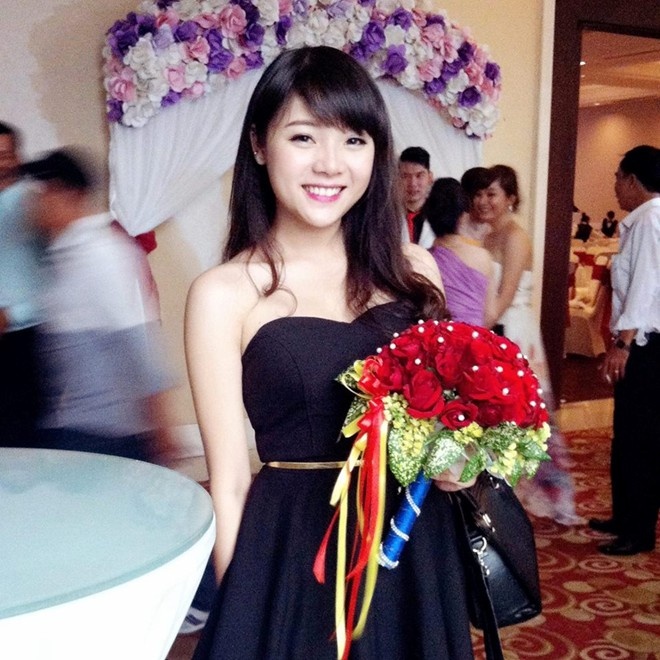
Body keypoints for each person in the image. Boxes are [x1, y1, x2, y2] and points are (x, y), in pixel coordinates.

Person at [186, 46, 478, 659]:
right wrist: (245, 614)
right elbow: (230, 483)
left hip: (412, 545)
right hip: (296, 554)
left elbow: (449, 420)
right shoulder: (223, 293)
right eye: (303, 137)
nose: (330, 163)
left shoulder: (416, 269)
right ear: (259, 145)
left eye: (353, 140)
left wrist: (463, 461)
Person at [23, 148, 174, 462]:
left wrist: (161, 427)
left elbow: (138, 342)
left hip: (107, 434)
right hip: (72, 426)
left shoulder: (104, 254)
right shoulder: (62, 256)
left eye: (42, 192)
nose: (33, 203)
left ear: (69, 194)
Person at [469, 164, 581, 525]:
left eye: (492, 194)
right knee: (494, 415)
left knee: (524, 415)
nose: (483, 201)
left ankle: (540, 493)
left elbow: (505, 295)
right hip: (492, 329)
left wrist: (473, 333)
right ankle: (500, 493)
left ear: (511, 198)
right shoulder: (483, 234)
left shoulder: (516, 236)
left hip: (513, 331)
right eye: (479, 194)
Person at [589, 145, 660, 556]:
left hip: (646, 346)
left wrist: (623, 343)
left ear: (633, 180)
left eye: (618, 178)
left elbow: (645, 287)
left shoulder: (651, 219)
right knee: (627, 434)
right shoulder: (643, 220)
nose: (615, 186)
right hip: (641, 342)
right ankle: (625, 515)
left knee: (640, 438)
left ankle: (638, 529)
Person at [0, 121, 44, 447]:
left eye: (6, 155)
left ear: (17, 156)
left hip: (27, 337)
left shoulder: (36, 203)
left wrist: (12, 315)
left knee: (24, 435)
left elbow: (58, 278)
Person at [422, 177, 496, 326]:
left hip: (436, 338)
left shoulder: (423, 260)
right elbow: (491, 314)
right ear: (462, 216)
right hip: (474, 337)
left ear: (429, 217)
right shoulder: (482, 257)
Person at [398, 146, 435, 247]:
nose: (413, 183)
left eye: (419, 175)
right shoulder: (385, 215)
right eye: (405, 176)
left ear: (430, 177)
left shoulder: (442, 215)